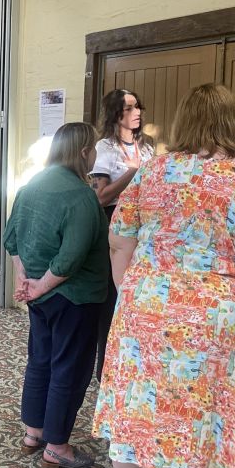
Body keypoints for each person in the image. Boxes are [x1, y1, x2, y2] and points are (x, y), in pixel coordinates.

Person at [92, 84, 235, 468]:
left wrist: (135, 294)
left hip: (145, 310)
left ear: (183, 121)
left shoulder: (152, 172)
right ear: (233, 123)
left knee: (137, 418)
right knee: (215, 425)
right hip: (219, 321)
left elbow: (119, 239)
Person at [5, 122, 108, 468]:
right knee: (69, 368)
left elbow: (12, 238)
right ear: (83, 153)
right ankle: (58, 447)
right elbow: (71, 258)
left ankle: (33, 433)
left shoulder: (32, 184)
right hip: (73, 298)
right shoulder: (80, 196)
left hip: (41, 296)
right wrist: (40, 284)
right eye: (93, 148)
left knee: (41, 360)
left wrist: (26, 279)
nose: (95, 153)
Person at [90, 89, 153, 381]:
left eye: (138, 106)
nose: (137, 111)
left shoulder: (148, 147)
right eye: (130, 107)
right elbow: (101, 197)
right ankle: (107, 373)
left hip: (145, 230)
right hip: (114, 226)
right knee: (112, 301)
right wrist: (133, 174)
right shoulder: (106, 148)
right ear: (117, 114)